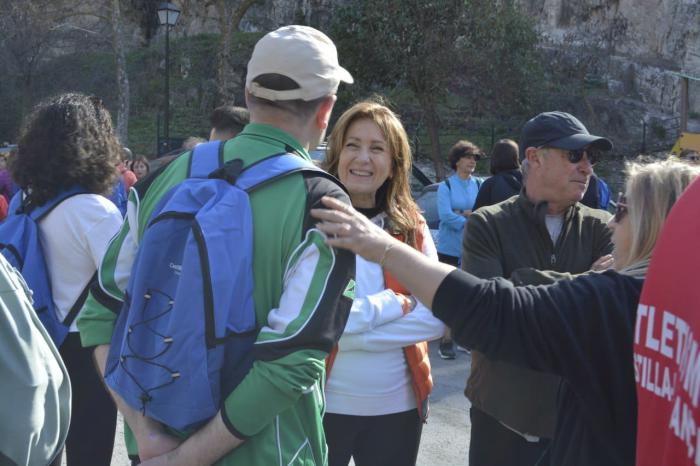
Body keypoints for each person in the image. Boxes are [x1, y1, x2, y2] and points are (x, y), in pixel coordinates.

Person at [77, 25, 355, 466]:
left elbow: (97, 316)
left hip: (152, 446)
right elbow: (293, 361)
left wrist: (147, 436)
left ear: (248, 95)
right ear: (327, 110)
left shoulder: (161, 178)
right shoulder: (321, 203)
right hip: (271, 454)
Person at [312, 158, 700, 466]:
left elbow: (490, 310)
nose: (613, 225)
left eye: (622, 210)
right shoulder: (673, 306)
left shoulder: (613, 299)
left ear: (654, 224)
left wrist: (380, 246)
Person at [461, 111, 614, 466]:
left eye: (591, 158)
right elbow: (485, 318)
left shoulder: (604, 227)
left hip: (580, 426)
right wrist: (589, 282)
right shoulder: (488, 223)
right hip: (501, 421)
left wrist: (520, 284)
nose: (587, 167)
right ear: (533, 157)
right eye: (574, 155)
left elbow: (613, 317)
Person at [321, 100, 444, 466]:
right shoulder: (311, 222)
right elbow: (312, 319)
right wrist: (397, 303)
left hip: (400, 408)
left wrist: (348, 330)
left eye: (377, 149)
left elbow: (437, 316)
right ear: (336, 152)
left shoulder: (412, 227)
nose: (363, 158)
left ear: (394, 163)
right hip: (322, 404)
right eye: (352, 145)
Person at [9, 93, 123, 466]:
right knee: (91, 452)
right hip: (88, 348)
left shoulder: (22, 203)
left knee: (44, 451)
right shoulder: (95, 211)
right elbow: (126, 285)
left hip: (33, 341)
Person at [436, 140, 483, 359]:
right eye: (469, 156)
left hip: (472, 247)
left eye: (475, 157)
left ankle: (464, 338)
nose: (473, 161)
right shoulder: (445, 186)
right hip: (449, 248)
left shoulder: (479, 185)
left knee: (468, 293)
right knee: (449, 294)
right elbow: (445, 215)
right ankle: (446, 340)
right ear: (457, 160)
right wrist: (468, 218)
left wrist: (465, 213)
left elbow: (482, 212)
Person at [472, 138, 522, 211]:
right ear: (516, 157)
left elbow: (477, 216)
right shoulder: (530, 181)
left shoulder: (490, 185)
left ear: (494, 158)